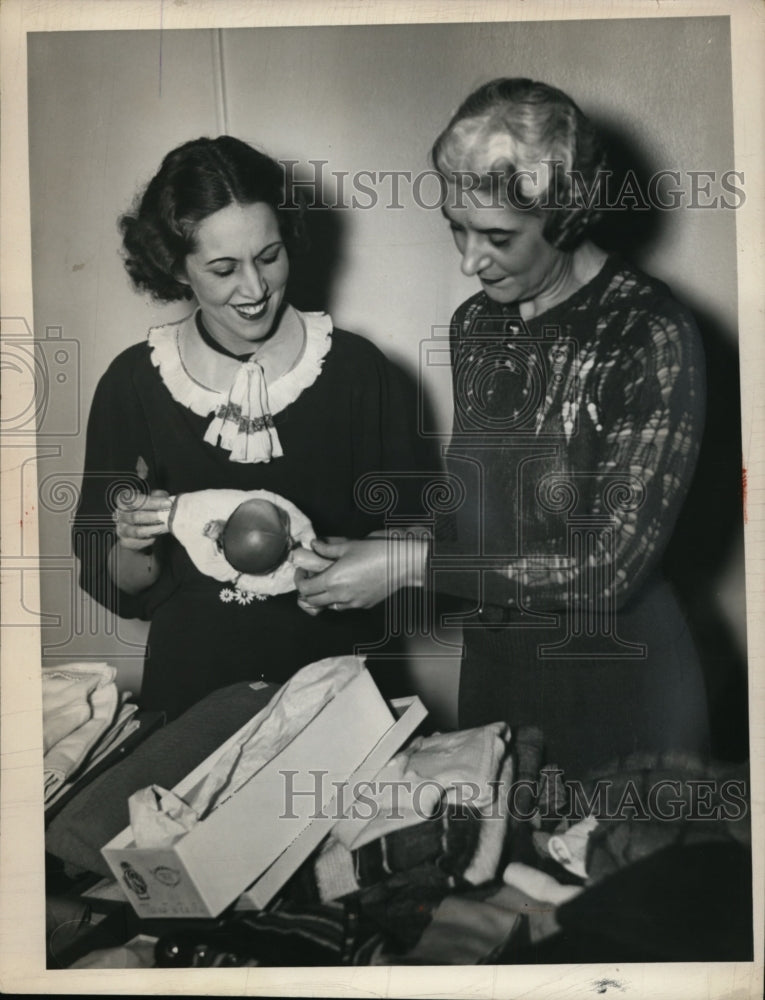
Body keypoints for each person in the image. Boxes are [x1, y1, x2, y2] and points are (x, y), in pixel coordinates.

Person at [294, 78, 711, 778]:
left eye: (496, 237)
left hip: (617, 678)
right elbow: (479, 509)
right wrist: (387, 547)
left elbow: (607, 568)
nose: (467, 260)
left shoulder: (649, 332)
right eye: (456, 227)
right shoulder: (478, 323)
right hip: (499, 670)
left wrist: (409, 565)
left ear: (568, 216)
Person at [73, 136, 430, 720]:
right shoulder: (132, 384)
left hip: (342, 692)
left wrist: (372, 571)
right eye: (222, 269)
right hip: (193, 697)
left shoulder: (360, 372)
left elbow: (421, 547)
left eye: (269, 256)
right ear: (176, 266)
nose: (255, 289)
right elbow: (120, 583)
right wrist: (138, 542)